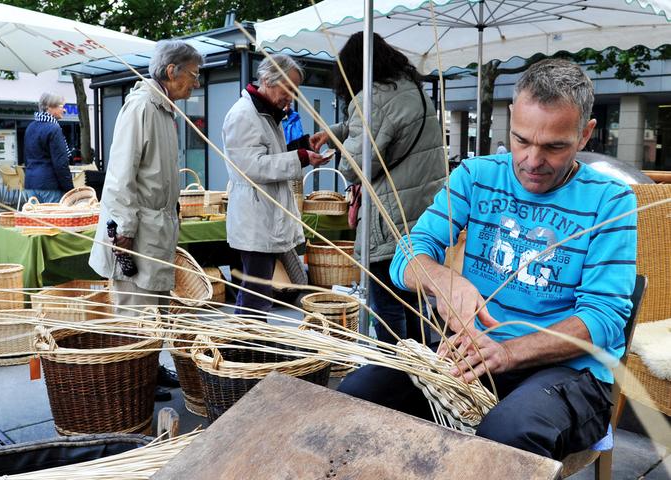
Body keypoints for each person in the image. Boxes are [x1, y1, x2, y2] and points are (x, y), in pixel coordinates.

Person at [337, 59, 637, 460]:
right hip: (473, 358)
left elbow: (603, 318)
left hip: (568, 374)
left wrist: (510, 352)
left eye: (554, 146)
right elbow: (407, 256)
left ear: (584, 134)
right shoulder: (476, 177)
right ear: (510, 119)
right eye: (521, 139)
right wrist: (441, 279)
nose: (532, 160)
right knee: (359, 393)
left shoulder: (611, 201)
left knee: (506, 434)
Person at [310, 32, 446, 344]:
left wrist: (340, 148)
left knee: (387, 306)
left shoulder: (370, 100)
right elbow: (386, 130)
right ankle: (423, 377)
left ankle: (392, 379)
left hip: (388, 220)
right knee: (414, 304)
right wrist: (337, 131)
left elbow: (354, 167)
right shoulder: (412, 91)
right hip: (421, 216)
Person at [89, 40, 204, 400]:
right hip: (135, 231)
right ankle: (133, 380)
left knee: (155, 308)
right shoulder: (141, 107)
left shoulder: (164, 109)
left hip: (155, 228)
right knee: (135, 311)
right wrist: (122, 233)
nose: (196, 83)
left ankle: (149, 369)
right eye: (193, 75)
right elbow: (120, 178)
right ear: (172, 72)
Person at [223, 54, 328, 318]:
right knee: (257, 293)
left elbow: (271, 153)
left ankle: (251, 345)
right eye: (288, 88)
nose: (292, 96)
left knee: (259, 290)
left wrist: (301, 145)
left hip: (266, 217)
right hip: (255, 218)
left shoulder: (268, 114)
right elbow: (251, 167)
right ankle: (248, 347)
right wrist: (301, 158)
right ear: (268, 80)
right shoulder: (243, 115)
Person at [24, 93, 74, 203]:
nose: (64, 110)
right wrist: (70, 190)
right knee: (53, 220)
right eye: (61, 106)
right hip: (50, 186)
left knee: (36, 219)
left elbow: (27, 158)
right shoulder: (54, 129)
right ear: (49, 107)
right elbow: (61, 164)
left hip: (30, 184)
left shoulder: (30, 127)